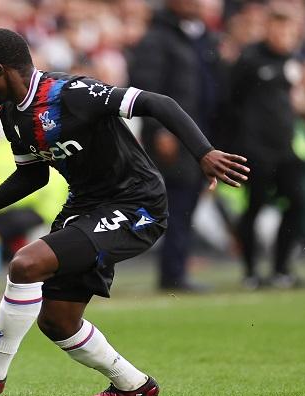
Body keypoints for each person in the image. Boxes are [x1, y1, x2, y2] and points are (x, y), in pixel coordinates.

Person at [0, 29, 249, 396]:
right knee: (58, 321)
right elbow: (32, 175)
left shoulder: (71, 93)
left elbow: (158, 102)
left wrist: (203, 153)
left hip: (136, 205)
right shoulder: (11, 115)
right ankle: (134, 386)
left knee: (25, 264)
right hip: (85, 208)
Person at [129, 0, 222, 291]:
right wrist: (160, 130)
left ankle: (175, 269)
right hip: (174, 134)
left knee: (185, 202)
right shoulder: (157, 38)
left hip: (197, 133)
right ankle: (171, 272)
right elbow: (146, 87)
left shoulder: (198, 36)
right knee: (171, 203)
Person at [231, 6, 305, 289]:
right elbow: (231, 101)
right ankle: (251, 271)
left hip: (286, 147)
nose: (284, 36)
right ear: (268, 29)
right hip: (255, 148)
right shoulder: (250, 59)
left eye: (289, 31)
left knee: (297, 203)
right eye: (279, 29)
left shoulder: (293, 62)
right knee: (255, 206)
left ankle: (281, 269)